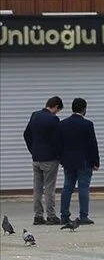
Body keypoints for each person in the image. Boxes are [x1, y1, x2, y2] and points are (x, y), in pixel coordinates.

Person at [58, 98, 100, 225]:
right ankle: (83, 216)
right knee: (83, 188)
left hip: (68, 161)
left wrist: (61, 158)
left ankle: (64, 215)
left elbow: (59, 143)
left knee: (67, 187)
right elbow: (92, 144)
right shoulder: (87, 124)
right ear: (84, 109)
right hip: (84, 161)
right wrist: (95, 161)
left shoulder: (63, 124)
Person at [23, 96, 64, 225]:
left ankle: (38, 215)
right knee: (49, 189)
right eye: (58, 110)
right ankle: (51, 216)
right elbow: (58, 140)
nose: (57, 113)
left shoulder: (34, 115)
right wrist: (59, 154)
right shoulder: (53, 119)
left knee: (37, 188)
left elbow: (26, 134)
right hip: (50, 159)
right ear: (56, 106)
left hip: (36, 158)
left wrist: (33, 150)